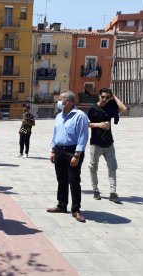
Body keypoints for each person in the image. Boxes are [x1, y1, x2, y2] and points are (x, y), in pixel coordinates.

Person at [47, 90, 89, 223]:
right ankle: (61, 205)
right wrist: (53, 150)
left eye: (61, 99)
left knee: (74, 181)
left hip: (72, 152)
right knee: (61, 179)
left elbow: (83, 137)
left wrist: (77, 155)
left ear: (69, 101)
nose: (59, 102)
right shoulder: (59, 116)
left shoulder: (80, 116)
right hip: (59, 151)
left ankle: (76, 209)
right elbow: (55, 134)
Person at [88, 88, 127, 203]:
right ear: (99, 96)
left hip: (109, 143)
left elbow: (123, 109)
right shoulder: (92, 109)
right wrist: (99, 125)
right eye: (103, 97)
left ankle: (113, 192)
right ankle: (95, 190)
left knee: (113, 167)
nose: (104, 99)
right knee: (93, 168)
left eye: (107, 97)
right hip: (96, 144)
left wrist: (114, 97)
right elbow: (86, 124)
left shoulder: (111, 106)